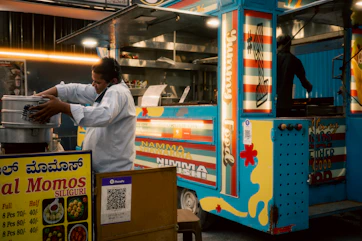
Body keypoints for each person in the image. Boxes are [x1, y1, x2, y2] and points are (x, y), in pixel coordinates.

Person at [30, 57, 136, 173]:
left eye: (97, 82)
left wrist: (62, 107)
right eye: (93, 80)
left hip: (114, 171)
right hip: (101, 169)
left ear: (114, 81)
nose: (93, 85)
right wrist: (36, 98)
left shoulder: (118, 92)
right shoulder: (104, 90)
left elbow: (103, 115)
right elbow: (74, 90)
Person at [276, 34, 313, 117]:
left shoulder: (272, 60)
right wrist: (309, 87)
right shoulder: (295, 61)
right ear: (289, 45)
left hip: (271, 103)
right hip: (285, 103)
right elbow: (304, 81)